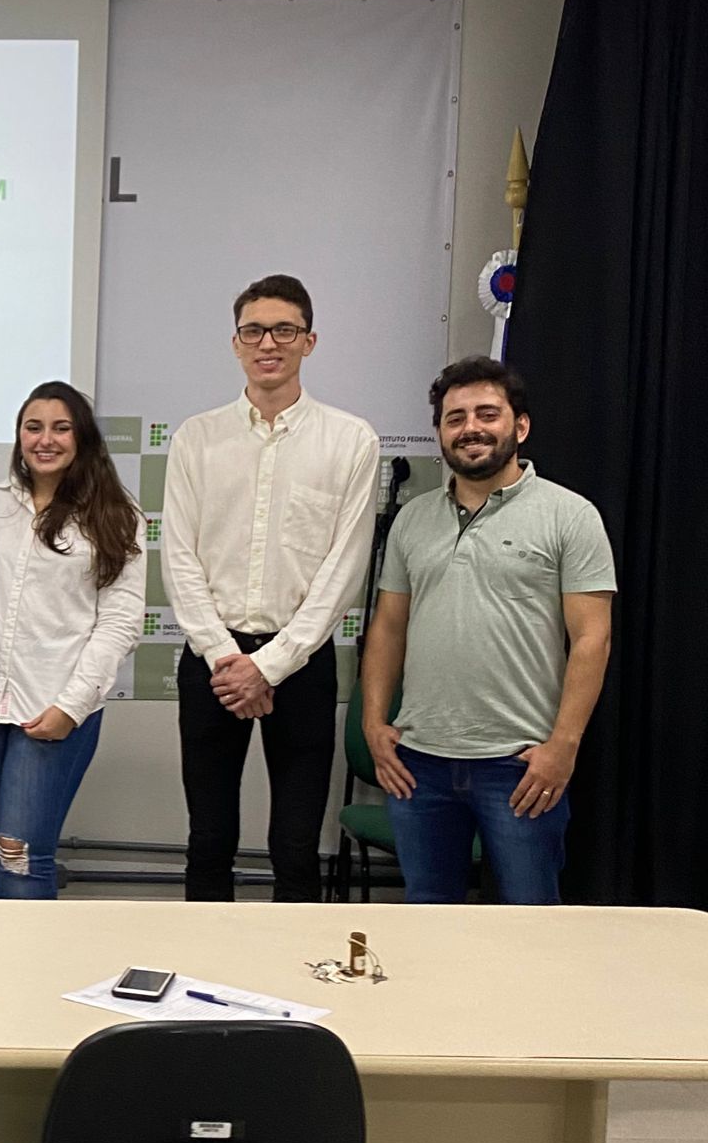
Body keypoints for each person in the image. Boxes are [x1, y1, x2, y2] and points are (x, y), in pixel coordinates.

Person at [361, 357, 615, 904]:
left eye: (486, 414)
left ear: (519, 427)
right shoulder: (413, 519)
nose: (470, 428)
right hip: (419, 763)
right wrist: (373, 722)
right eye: (455, 418)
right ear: (440, 434)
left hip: (520, 765)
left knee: (530, 928)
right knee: (429, 924)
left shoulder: (570, 515)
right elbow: (387, 627)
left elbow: (593, 638)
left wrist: (563, 745)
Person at [161, 274, 380, 902]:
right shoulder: (197, 438)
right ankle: (205, 980)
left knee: (295, 847)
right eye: (254, 330)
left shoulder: (350, 440)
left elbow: (345, 568)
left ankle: (293, 985)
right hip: (212, 663)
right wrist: (228, 659)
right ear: (236, 343)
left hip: (302, 665)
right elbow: (178, 557)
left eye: (284, 330)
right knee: (208, 840)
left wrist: (272, 666)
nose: (268, 343)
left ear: (308, 341)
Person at [0, 382, 145, 898]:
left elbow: (121, 622)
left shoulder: (115, 513)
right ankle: (2, 965)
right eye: (33, 427)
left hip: (54, 707)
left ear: (81, 437)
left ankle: (25, 973)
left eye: (61, 428)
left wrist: (72, 705)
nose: (45, 440)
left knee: (21, 853)